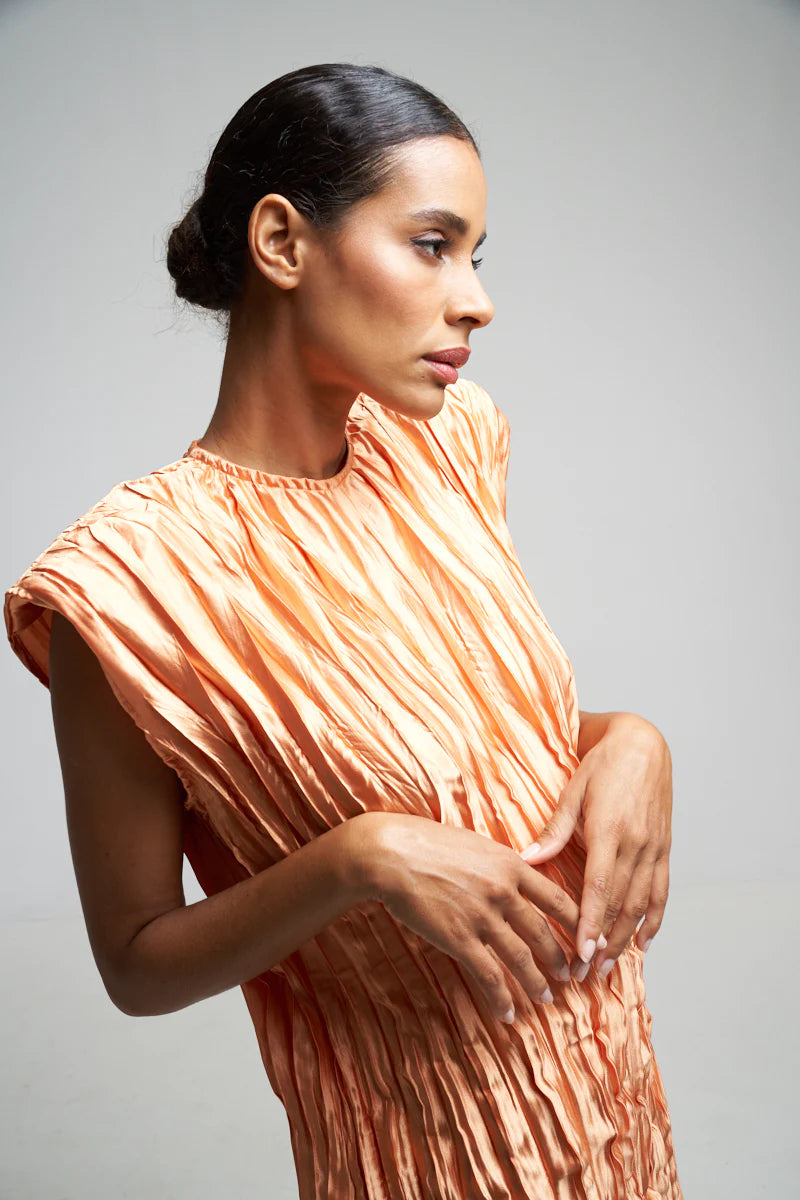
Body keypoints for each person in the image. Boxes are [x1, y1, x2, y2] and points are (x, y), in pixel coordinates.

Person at [4, 62, 683, 1199]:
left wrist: (629, 740)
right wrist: (357, 861)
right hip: (423, 1151)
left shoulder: (445, 445)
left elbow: (473, 738)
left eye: (477, 255)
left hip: (614, 1111)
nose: (474, 300)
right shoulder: (127, 585)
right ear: (282, 242)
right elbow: (134, 961)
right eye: (432, 245)